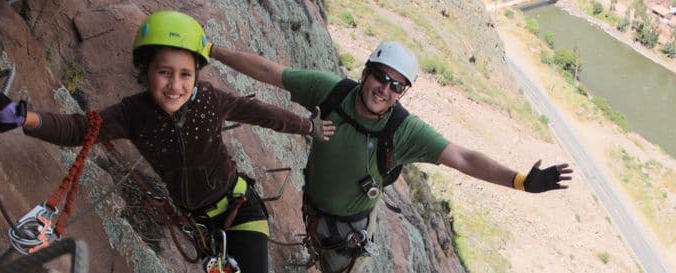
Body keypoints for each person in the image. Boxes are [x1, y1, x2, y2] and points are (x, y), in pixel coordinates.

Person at [0, 10, 335, 273]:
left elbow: (259, 113)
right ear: (145, 70)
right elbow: (78, 129)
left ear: (197, 75)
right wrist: (25, 117)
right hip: (198, 223)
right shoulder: (133, 114)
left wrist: (308, 126)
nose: (175, 85)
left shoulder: (211, 100)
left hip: (240, 211)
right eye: (164, 72)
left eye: (185, 75)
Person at [209, 41, 574, 273]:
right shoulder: (331, 92)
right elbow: (270, 72)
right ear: (365, 72)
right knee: (319, 247)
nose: (384, 89)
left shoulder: (404, 131)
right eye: (381, 77)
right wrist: (209, 50)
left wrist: (519, 181)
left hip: (348, 229)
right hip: (314, 207)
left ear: (402, 94)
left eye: (396, 85)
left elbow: (463, 157)